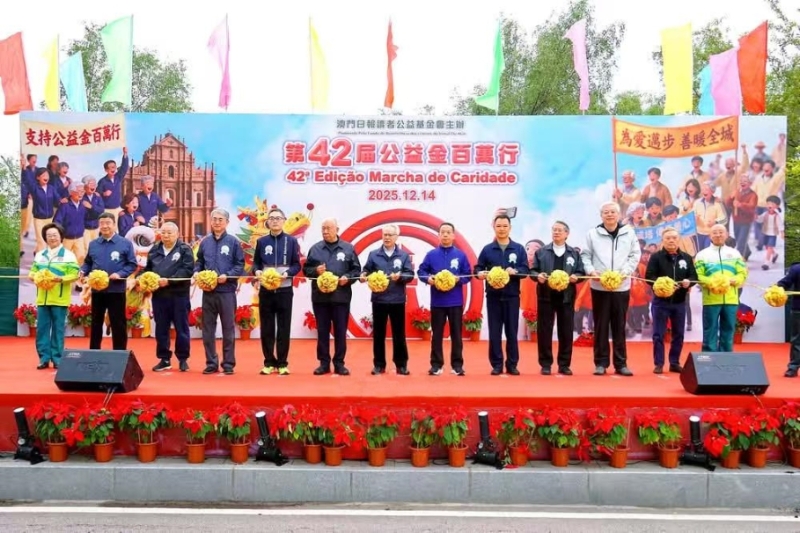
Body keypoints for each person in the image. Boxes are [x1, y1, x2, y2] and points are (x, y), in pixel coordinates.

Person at [580, 201, 641, 376]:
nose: (609, 215)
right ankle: (601, 363)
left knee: (619, 325)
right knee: (600, 325)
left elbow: (634, 255)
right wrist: (591, 271)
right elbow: (585, 255)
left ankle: (621, 364)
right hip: (599, 286)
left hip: (621, 286)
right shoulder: (593, 234)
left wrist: (625, 272)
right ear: (601, 215)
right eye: (605, 212)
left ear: (619, 215)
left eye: (613, 212)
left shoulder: (629, 233)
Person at [303, 218, 362, 376]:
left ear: (337, 229)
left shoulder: (348, 248)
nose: (325, 231)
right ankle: (323, 363)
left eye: (329, 228)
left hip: (341, 297)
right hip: (320, 298)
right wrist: (316, 271)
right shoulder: (315, 249)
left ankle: (339, 363)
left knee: (340, 331)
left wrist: (347, 278)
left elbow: (356, 270)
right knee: (322, 331)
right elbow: (306, 270)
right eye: (323, 228)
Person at [474, 214, 530, 375]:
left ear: (510, 228)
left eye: (505, 226)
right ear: (494, 227)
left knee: (512, 332)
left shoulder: (518, 249)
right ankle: (497, 364)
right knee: (495, 331)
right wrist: (480, 273)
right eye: (498, 226)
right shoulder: (487, 249)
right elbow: (477, 268)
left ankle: (512, 364)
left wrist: (516, 271)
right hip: (493, 297)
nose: (502, 229)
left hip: (512, 296)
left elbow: (525, 270)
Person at [194, 208, 246, 375]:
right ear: (210, 221)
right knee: (208, 329)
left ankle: (228, 363)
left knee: (228, 329)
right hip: (208, 293)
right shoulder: (205, 242)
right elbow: (199, 262)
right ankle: (211, 363)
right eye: (214, 219)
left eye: (220, 219)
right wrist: (196, 272)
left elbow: (240, 265)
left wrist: (228, 275)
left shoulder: (233, 242)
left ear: (227, 222)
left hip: (226, 292)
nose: (217, 222)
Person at [530, 220, 584, 375]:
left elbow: (581, 272)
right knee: (544, 330)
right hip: (545, 296)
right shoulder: (541, 252)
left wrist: (576, 277)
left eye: (560, 230)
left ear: (567, 234)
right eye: (554, 229)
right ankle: (545, 364)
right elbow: (533, 271)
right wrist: (537, 276)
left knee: (566, 331)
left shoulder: (574, 253)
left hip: (566, 297)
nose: (556, 232)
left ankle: (564, 364)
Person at [417, 222, 472, 376]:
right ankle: (436, 365)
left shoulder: (461, 255)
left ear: (453, 235)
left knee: (456, 335)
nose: (445, 235)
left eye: (448, 232)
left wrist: (458, 279)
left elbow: (468, 274)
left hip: (455, 301)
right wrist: (428, 279)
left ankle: (457, 365)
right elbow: (421, 271)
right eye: (443, 232)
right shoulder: (431, 255)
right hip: (437, 302)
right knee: (436, 334)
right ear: (439, 235)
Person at [359, 224, 414, 375]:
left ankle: (401, 365)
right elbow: (366, 270)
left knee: (399, 334)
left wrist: (400, 277)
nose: (387, 237)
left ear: (396, 237)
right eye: (385, 235)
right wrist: (363, 275)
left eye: (390, 235)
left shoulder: (403, 255)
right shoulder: (373, 254)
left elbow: (410, 274)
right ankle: (379, 364)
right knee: (378, 334)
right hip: (379, 299)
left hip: (397, 299)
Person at [253, 208, 302, 376]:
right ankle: (268, 362)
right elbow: (256, 263)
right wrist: (257, 271)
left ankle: (282, 363)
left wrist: (287, 273)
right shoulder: (261, 241)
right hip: (266, 290)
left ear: (284, 220)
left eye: (278, 218)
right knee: (266, 327)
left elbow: (297, 264)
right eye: (272, 218)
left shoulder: (292, 241)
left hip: (284, 290)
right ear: (267, 221)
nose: (275, 221)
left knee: (283, 327)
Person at [80, 212, 138, 350]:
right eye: (102, 223)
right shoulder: (94, 244)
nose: (105, 226)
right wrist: (83, 271)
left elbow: (132, 264)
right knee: (96, 322)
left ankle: (119, 353)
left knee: (118, 323)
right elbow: (88, 262)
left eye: (108, 223)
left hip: (116, 290)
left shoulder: (125, 243)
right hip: (97, 290)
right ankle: (94, 352)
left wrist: (120, 274)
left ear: (114, 224)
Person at [644, 227, 697, 374]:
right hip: (660, 302)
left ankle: (674, 362)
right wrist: (661, 284)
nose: (671, 240)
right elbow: (649, 277)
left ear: (679, 239)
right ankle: (659, 363)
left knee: (678, 334)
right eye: (668, 238)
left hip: (679, 302)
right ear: (663, 240)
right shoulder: (656, 257)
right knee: (658, 334)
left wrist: (689, 282)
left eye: (674, 238)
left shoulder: (686, 257)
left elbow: (694, 277)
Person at [144, 222, 195, 372]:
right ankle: (164, 359)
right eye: (163, 232)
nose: (166, 235)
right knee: (161, 328)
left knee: (181, 328)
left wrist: (169, 281)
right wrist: (143, 279)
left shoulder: (184, 249)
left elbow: (187, 270)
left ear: (177, 234)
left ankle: (183, 358)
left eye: (169, 233)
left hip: (179, 295)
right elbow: (147, 269)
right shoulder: (155, 250)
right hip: (159, 296)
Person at [29, 223, 80, 369]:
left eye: (55, 235)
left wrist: (60, 279)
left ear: (61, 237)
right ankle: (44, 358)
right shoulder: (40, 255)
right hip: (42, 299)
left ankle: (57, 358)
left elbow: (75, 274)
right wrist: (34, 276)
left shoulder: (69, 255)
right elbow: (32, 272)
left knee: (58, 329)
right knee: (42, 329)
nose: (52, 238)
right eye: (49, 235)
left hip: (59, 299)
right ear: (45, 238)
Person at [695, 224, 748, 352]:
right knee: (710, 330)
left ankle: (726, 357)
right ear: (710, 236)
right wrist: (714, 282)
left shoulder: (735, 253)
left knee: (728, 330)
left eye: (721, 232)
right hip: (711, 300)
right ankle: (710, 357)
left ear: (727, 235)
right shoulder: (702, 255)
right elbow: (698, 276)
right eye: (715, 232)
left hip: (731, 299)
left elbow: (742, 273)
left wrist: (735, 280)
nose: (718, 235)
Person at [777, 262, 800, 377]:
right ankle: (793, 367)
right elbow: (783, 283)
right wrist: (776, 289)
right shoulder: (797, 269)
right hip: (798, 310)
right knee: (797, 340)